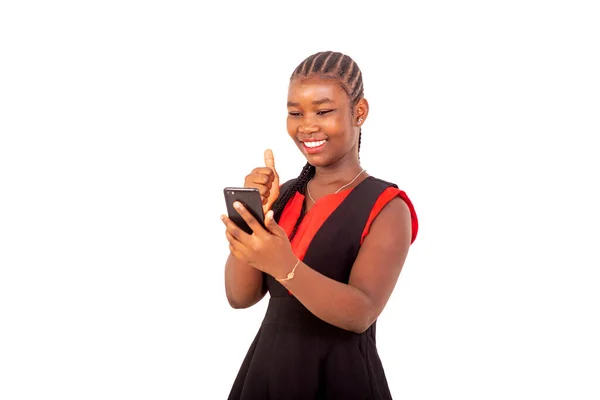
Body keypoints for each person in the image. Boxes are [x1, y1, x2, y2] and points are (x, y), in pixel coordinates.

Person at [220, 50, 419, 400]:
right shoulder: (283, 197)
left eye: (323, 111)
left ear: (359, 112)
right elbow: (240, 296)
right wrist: (250, 221)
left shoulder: (387, 207)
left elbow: (361, 313)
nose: (307, 125)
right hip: (267, 375)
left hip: (341, 379)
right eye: (295, 113)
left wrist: (284, 264)